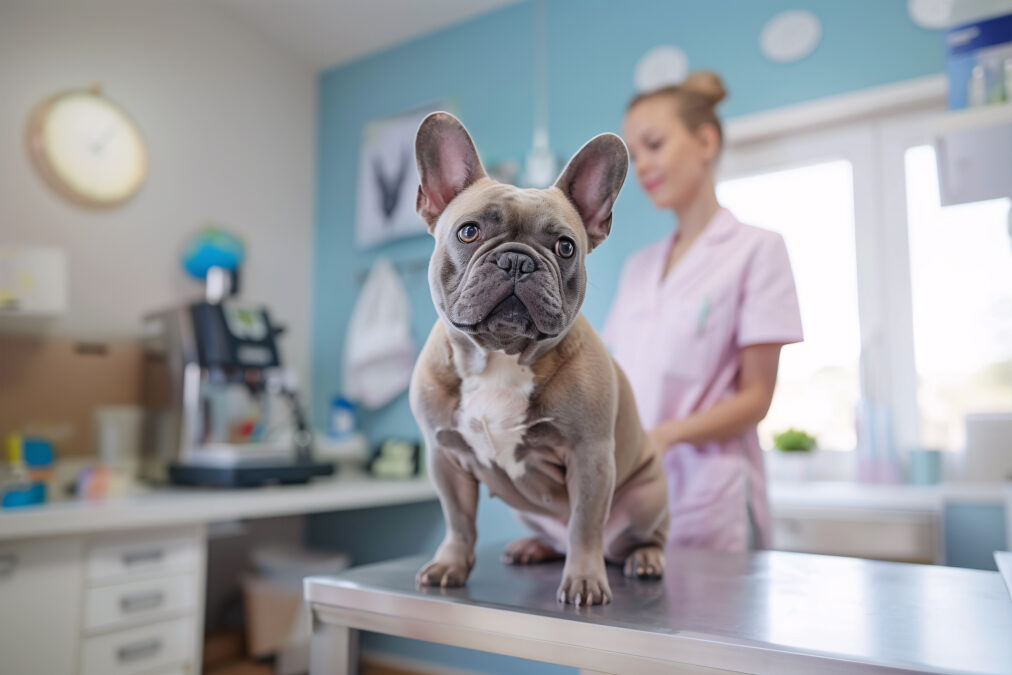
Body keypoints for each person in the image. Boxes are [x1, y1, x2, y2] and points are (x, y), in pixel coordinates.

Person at [603, 71, 803, 552]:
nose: (642, 166)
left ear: (705, 141)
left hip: (713, 503)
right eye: (633, 155)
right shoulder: (638, 267)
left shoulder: (757, 250)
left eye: (654, 144)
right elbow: (614, 378)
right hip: (631, 502)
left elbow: (756, 398)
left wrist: (666, 435)